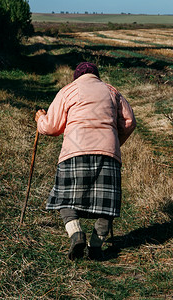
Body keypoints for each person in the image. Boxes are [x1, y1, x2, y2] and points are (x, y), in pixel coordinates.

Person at [35, 62, 136, 261]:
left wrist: (41, 119)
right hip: (108, 152)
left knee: (63, 197)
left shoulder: (68, 91)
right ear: (97, 76)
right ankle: (96, 245)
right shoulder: (112, 91)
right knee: (107, 204)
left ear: (76, 77)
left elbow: (51, 127)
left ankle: (76, 234)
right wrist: (115, 141)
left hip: (75, 151)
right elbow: (129, 122)